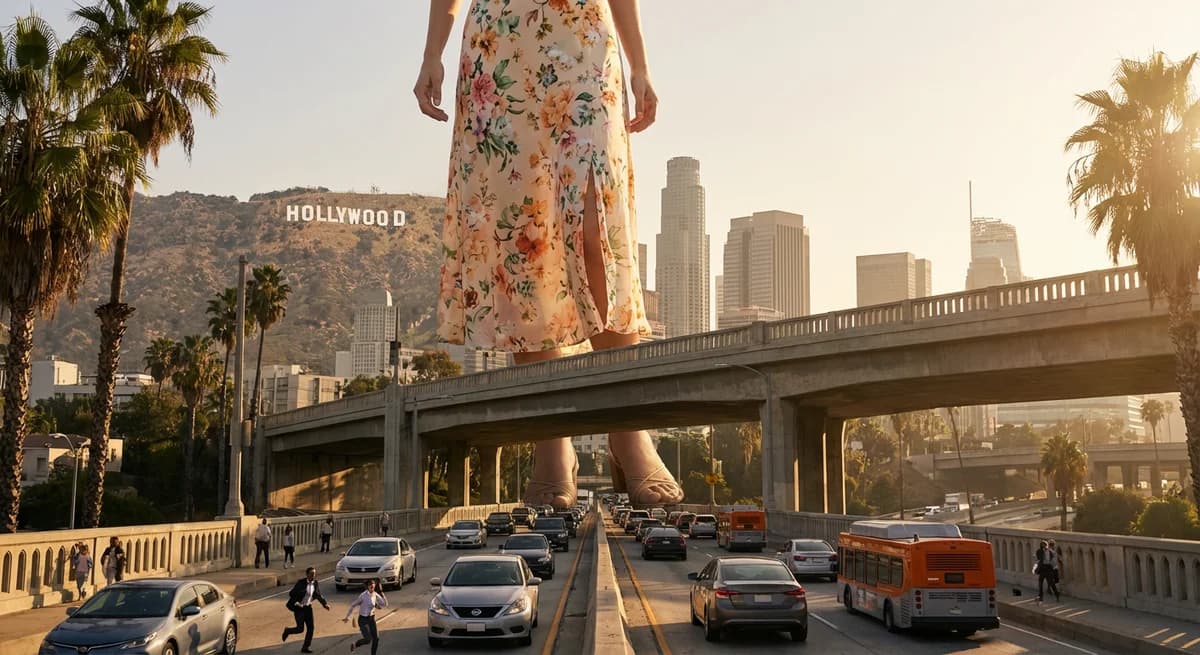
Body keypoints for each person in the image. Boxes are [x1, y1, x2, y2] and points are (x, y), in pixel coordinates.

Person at [416, 0, 680, 509]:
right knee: (521, 243)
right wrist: (432, 52)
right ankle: (553, 443)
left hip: (582, 38)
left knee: (593, 225)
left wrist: (640, 64)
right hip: (501, 47)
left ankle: (627, 430)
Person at [283, 566, 330, 653]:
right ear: (307, 574)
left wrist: (325, 604)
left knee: (311, 628)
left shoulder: (315, 583)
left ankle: (305, 647)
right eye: (311, 574)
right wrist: (297, 602)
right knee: (300, 629)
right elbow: (291, 593)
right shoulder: (300, 583)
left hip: (308, 608)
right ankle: (287, 631)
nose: (313, 576)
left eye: (314, 574)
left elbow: (318, 594)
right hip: (299, 608)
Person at [343, 578, 388, 654]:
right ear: (367, 586)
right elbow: (353, 605)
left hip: (371, 619)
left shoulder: (375, 594)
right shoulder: (363, 596)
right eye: (370, 586)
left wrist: (381, 592)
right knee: (368, 639)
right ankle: (355, 644)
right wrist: (347, 617)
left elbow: (385, 604)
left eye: (373, 586)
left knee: (376, 639)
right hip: (363, 620)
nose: (372, 588)